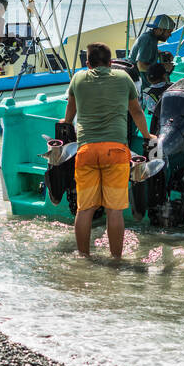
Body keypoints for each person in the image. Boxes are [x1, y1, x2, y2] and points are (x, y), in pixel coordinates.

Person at [61, 42, 156, 260]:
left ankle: (84, 257)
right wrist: (147, 136)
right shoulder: (123, 78)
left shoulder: (78, 79)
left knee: (84, 210)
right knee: (114, 210)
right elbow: (137, 112)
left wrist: (66, 121)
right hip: (115, 150)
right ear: (111, 62)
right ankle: (116, 259)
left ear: (87, 63)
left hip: (86, 150)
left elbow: (71, 110)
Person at [130, 14, 175, 83]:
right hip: (140, 83)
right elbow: (141, 66)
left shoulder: (151, 37)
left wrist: (163, 53)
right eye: (168, 32)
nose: (170, 35)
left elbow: (148, 51)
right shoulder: (148, 40)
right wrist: (163, 67)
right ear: (160, 30)